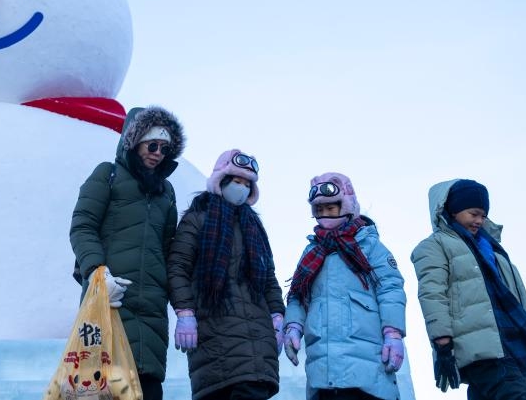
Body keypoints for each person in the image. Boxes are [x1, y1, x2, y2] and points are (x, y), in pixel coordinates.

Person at [70, 105, 185, 400]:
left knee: (148, 387)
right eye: (152, 144)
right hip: (109, 302)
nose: (158, 152)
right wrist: (97, 273)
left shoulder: (166, 193)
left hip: (152, 313)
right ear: (134, 141)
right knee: (102, 387)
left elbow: (168, 250)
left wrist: (186, 309)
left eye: (165, 147)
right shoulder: (107, 174)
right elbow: (83, 226)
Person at [167, 149, 285, 400]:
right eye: (236, 181)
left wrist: (277, 315)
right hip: (214, 339)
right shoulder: (198, 219)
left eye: (246, 184)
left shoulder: (254, 227)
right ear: (221, 180)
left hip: (256, 345)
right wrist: (185, 312)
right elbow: (178, 266)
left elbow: (269, 279)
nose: (241, 188)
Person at [410, 179, 526, 399]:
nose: (479, 220)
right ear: (454, 210)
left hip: (507, 340)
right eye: (474, 213)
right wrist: (442, 343)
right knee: (520, 394)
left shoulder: (492, 249)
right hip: (480, 346)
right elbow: (432, 293)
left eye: (483, 215)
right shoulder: (434, 246)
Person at [284, 172, 407, 400]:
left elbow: (391, 289)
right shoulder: (312, 252)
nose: (325, 214)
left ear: (347, 205)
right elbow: (297, 296)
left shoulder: (369, 246)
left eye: (331, 208)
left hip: (368, 369)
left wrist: (393, 333)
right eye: (319, 210)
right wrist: (293, 325)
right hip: (323, 370)